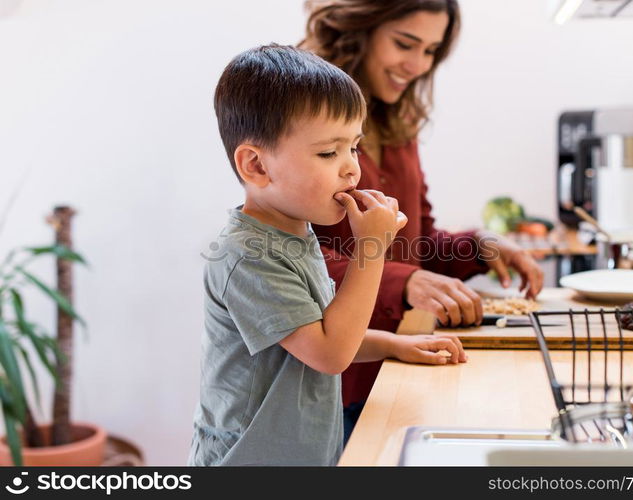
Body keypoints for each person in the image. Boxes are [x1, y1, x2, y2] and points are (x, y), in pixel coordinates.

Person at [187, 44, 467, 466]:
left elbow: (316, 333)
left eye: (353, 147)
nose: (351, 168)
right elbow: (329, 353)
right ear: (257, 166)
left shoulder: (296, 235)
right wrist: (371, 250)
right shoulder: (247, 254)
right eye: (327, 153)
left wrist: (395, 345)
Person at [301, 0, 545, 436]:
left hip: (395, 370)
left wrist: (479, 245)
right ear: (361, 29)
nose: (417, 64)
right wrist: (403, 280)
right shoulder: (303, 115)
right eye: (405, 44)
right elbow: (287, 253)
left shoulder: (398, 121)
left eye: (431, 50)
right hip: (326, 388)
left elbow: (417, 240)